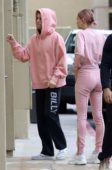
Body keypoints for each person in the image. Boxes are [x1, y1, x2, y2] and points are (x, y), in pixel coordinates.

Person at [6, 8, 67, 160]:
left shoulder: (56, 38)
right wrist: (14, 44)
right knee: (41, 118)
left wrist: (54, 78)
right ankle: (47, 151)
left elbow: (62, 62)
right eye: (37, 18)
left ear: (48, 20)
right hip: (39, 85)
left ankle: (62, 147)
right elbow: (24, 56)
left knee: (51, 115)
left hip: (54, 85)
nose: (38, 21)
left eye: (41, 18)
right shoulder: (33, 40)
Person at [72, 9, 105, 165]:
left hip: (85, 74)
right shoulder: (100, 35)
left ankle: (80, 154)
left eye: (77, 19)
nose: (76, 22)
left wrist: (75, 68)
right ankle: (98, 150)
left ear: (83, 20)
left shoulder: (81, 34)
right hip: (98, 74)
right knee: (98, 116)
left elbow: (79, 53)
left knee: (82, 116)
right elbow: (103, 57)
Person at [98, 34, 112, 170]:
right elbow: (105, 65)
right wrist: (106, 88)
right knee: (111, 124)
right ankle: (105, 157)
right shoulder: (111, 39)